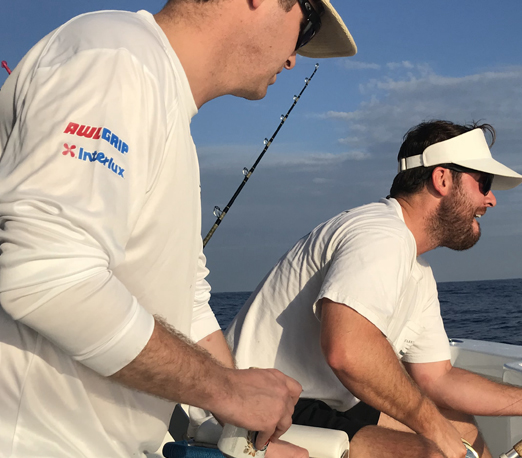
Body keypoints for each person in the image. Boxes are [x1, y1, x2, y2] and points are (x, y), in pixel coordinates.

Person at [0, 1, 355, 457]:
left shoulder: (161, 100)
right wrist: (226, 390)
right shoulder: (117, 58)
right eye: (305, 29)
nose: (292, 59)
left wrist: (248, 432)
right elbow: (47, 275)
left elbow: (187, 299)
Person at [226, 120, 522, 458]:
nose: (491, 199)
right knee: (430, 452)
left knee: (461, 427)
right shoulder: (380, 234)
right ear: (442, 179)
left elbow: (438, 377)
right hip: (253, 408)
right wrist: (434, 430)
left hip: (321, 401)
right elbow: (348, 351)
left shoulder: (415, 268)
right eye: (483, 183)